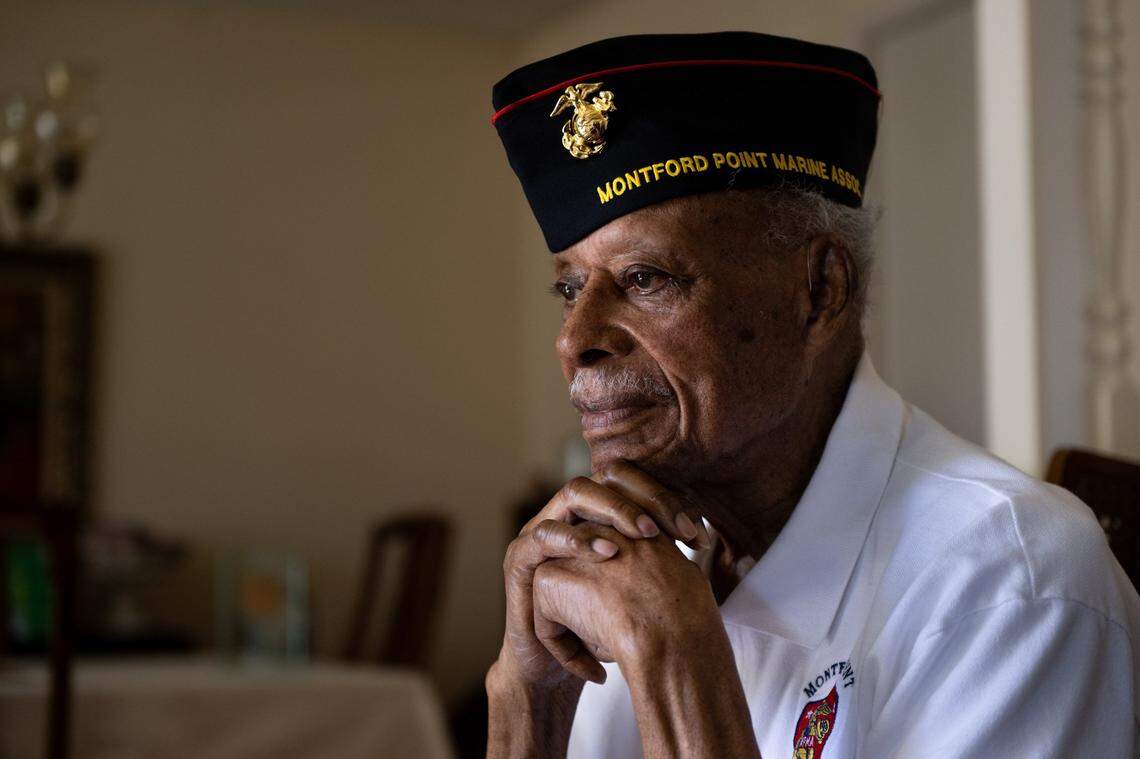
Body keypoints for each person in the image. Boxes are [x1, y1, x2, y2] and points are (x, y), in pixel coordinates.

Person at [485, 31, 1140, 758]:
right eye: (570, 289)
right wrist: (527, 699)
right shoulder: (625, 558)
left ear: (820, 289)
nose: (574, 339)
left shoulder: (1012, 581)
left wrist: (674, 664)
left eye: (645, 279)